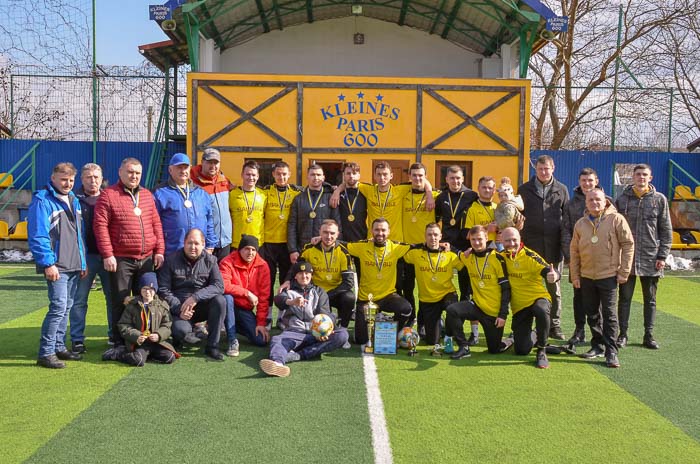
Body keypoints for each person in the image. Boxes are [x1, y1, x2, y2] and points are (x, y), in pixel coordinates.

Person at [94, 157, 164, 352]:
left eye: (137, 173)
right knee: (121, 301)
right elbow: (100, 227)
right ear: (120, 172)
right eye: (130, 172)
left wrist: (160, 251)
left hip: (147, 258)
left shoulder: (148, 195)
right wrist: (108, 254)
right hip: (121, 259)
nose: (134, 176)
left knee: (147, 300)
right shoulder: (108, 195)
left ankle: (145, 337)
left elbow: (156, 224)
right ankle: (119, 341)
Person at [28, 162, 87, 368]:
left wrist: (82, 261)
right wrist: (47, 263)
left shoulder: (74, 200)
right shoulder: (42, 200)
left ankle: (59, 346)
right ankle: (46, 352)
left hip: (73, 264)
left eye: (71, 180)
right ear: (53, 178)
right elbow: (38, 235)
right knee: (58, 307)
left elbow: (79, 235)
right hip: (56, 265)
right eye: (63, 179)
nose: (68, 183)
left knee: (67, 306)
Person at [570, 189, 634, 368]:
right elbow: (574, 252)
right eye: (590, 200)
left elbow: (628, 244)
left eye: (597, 199)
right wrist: (575, 275)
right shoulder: (580, 224)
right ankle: (597, 345)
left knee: (609, 314)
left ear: (605, 200)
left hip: (609, 275)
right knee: (591, 313)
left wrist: (624, 271)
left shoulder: (616, 219)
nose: (594, 203)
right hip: (587, 276)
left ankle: (611, 351)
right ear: (586, 203)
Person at [615, 164, 672, 349]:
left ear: (650, 177)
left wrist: (662, 256)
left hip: (651, 257)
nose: (641, 178)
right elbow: (614, 230)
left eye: (644, 175)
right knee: (624, 299)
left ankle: (648, 335)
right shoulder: (622, 200)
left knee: (650, 299)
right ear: (633, 177)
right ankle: (622, 335)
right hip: (627, 258)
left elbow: (666, 230)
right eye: (638, 174)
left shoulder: (659, 200)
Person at [260, 261, 349, 377]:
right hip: (294, 333)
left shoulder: (319, 292)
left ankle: (298, 355)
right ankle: (278, 364)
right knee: (277, 340)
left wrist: (324, 330)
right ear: (295, 276)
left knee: (342, 335)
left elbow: (325, 314)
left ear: (311, 275)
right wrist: (293, 302)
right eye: (300, 273)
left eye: (307, 273)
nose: (304, 276)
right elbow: (279, 300)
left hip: (315, 334)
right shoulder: (288, 290)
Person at [518, 155, 569, 340]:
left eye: (547, 169)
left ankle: (554, 325)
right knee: (528, 287)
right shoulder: (524, 190)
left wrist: (565, 247)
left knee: (553, 290)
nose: (544, 172)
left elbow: (566, 221)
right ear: (535, 170)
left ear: (553, 168)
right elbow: (518, 218)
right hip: (530, 249)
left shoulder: (562, 190)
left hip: (554, 249)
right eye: (540, 169)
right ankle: (526, 324)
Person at [158, 229, 227, 361]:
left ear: (203, 244)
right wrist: (179, 309)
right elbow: (163, 289)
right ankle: (180, 338)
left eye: (196, 243)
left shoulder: (211, 260)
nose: (193, 247)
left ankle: (212, 346)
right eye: (189, 243)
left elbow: (219, 286)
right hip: (179, 307)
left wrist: (196, 297)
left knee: (220, 301)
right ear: (184, 243)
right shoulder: (171, 260)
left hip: (201, 306)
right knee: (181, 331)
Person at [445, 225, 511, 359]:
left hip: (493, 313)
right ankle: (464, 346)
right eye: (473, 240)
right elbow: (456, 252)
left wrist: (502, 315)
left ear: (486, 238)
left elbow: (506, 289)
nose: (476, 243)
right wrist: (446, 245)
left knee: (494, 349)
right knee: (452, 310)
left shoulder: (497, 258)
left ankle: (511, 340)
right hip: (476, 307)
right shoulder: (468, 256)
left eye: (480, 239)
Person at [347, 218, 413, 346]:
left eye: (383, 230)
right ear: (371, 231)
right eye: (377, 230)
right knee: (361, 340)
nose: (380, 233)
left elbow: (419, 246)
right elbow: (341, 244)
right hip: (366, 299)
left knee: (406, 309)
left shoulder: (396, 247)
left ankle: (390, 330)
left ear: (388, 232)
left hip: (387, 296)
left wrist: (442, 245)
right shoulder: (361, 246)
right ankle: (375, 319)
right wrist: (319, 239)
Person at [499, 227, 559, 369]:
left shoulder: (530, 255)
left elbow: (548, 270)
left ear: (520, 240)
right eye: (507, 240)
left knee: (541, 309)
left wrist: (554, 276)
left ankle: (542, 350)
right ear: (501, 241)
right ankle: (536, 334)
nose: (512, 243)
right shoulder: (499, 256)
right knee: (521, 350)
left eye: (515, 240)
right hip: (519, 306)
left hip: (538, 297)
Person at [69, 163, 113, 353]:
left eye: (96, 177)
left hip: (108, 256)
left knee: (112, 299)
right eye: (88, 177)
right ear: (82, 179)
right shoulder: (73, 199)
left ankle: (114, 337)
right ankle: (77, 339)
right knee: (79, 300)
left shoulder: (109, 196)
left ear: (102, 178)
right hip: (84, 257)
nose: (93, 180)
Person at [561, 168, 605, 346]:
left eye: (590, 180)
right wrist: (570, 257)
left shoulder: (606, 202)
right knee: (578, 297)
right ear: (579, 182)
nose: (587, 184)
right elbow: (566, 231)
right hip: (578, 261)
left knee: (600, 299)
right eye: (584, 180)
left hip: (601, 262)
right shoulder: (571, 204)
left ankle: (600, 334)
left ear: (596, 181)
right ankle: (579, 331)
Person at [403, 223, 462, 347]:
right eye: (429, 235)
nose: (433, 237)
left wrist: (453, 248)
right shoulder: (415, 254)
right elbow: (400, 249)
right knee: (432, 341)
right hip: (428, 299)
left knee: (453, 309)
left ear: (441, 236)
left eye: (435, 234)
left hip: (447, 294)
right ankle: (438, 323)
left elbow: (466, 260)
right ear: (425, 236)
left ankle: (449, 334)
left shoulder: (450, 255)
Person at [259, 160, 302, 324]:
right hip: (269, 243)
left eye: (284, 174)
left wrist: (333, 188)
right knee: (268, 282)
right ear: (273, 175)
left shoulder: (297, 193)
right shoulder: (265, 192)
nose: (281, 177)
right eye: (278, 174)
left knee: (286, 281)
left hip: (287, 245)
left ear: (289, 175)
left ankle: (282, 317)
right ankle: (268, 315)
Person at [299, 220, 356, 334]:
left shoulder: (344, 252)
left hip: (336, 292)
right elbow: (298, 270)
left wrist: (327, 295)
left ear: (337, 234)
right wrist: (287, 281)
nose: (328, 236)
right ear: (319, 232)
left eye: (332, 233)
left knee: (349, 297)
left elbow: (348, 283)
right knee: (323, 324)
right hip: (316, 292)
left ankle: (343, 329)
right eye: (325, 232)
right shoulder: (309, 248)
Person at [400, 163, 440, 327]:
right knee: (407, 288)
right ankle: (411, 318)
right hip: (407, 249)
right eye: (414, 175)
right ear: (409, 177)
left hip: (427, 249)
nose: (417, 178)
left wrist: (429, 193)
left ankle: (425, 321)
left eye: (421, 176)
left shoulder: (436, 196)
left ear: (426, 177)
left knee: (426, 289)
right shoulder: (402, 192)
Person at [154, 153, 217, 255]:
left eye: (186, 167)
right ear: (170, 170)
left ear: (190, 169)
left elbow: (209, 220)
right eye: (179, 167)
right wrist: (158, 250)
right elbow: (154, 225)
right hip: (172, 251)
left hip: (199, 252)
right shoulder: (160, 193)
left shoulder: (201, 193)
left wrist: (210, 245)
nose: (183, 171)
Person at [435, 165, 479, 312]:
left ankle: (461, 321)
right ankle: (440, 322)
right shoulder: (441, 197)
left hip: (465, 247)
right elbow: (435, 220)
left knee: (465, 287)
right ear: (446, 179)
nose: (455, 181)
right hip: (446, 246)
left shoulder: (472, 196)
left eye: (458, 178)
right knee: (441, 284)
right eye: (452, 178)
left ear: (463, 179)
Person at [462, 175, 499, 345]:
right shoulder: (473, 209)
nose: (487, 190)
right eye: (484, 187)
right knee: (474, 292)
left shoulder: (499, 208)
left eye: (491, 188)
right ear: (479, 188)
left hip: (495, 256)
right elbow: (468, 233)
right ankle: (475, 334)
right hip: (478, 256)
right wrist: (487, 228)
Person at [219, 234, 271, 352]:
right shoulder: (227, 262)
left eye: (253, 250)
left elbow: (264, 297)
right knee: (227, 298)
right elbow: (223, 286)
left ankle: (227, 325)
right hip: (227, 305)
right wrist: (247, 293)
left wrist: (261, 323)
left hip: (244, 309)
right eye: (246, 249)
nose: (250, 253)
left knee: (261, 340)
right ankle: (232, 339)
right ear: (240, 249)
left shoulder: (263, 266)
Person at [117, 272, 179, 367]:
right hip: (140, 343)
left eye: (151, 289)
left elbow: (167, 325)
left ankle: (149, 355)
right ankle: (119, 354)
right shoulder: (132, 305)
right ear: (140, 289)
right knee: (139, 361)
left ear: (155, 290)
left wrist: (159, 335)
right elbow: (123, 325)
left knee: (170, 357)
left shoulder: (162, 305)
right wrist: (137, 335)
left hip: (157, 343)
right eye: (144, 288)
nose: (147, 292)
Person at [287, 164, 340, 263]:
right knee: (303, 277)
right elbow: (292, 225)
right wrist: (293, 250)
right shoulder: (298, 199)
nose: (316, 178)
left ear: (323, 177)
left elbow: (337, 224)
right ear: (307, 177)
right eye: (312, 175)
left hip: (324, 247)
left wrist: (335, 245)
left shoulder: (331, 198)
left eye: (319, 175)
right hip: (302, 248)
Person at [190, 148, 234, 261]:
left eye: (216, 163)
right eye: (209, 162)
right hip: (205, 242)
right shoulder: (192, 184)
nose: (213, 166)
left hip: (225, 242)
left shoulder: (224, 181)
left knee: (223, 277)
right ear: (202, 162)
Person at [229, 160, 266, 248]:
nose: (251, 178)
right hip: (237, 243)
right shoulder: (232, 194)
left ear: (258, 176)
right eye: (248, 174)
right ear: (242, 175)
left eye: (253, 175)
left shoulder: (264, 195)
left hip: (258, 244)